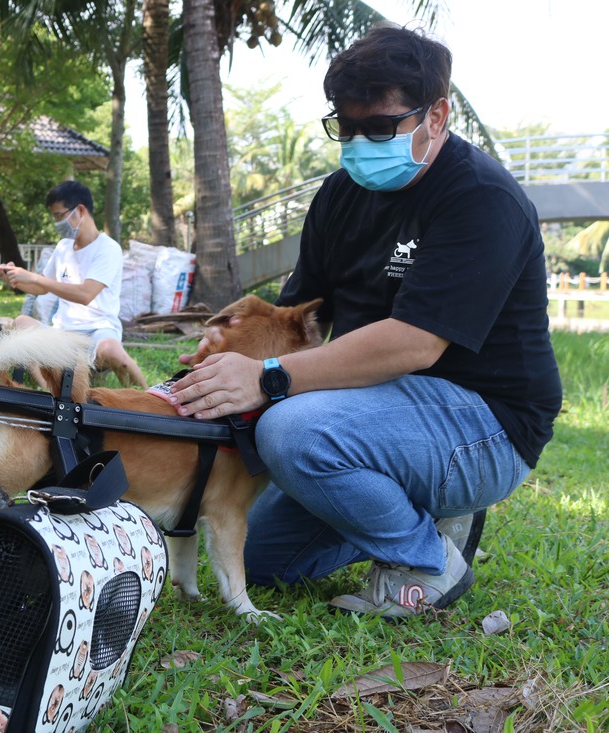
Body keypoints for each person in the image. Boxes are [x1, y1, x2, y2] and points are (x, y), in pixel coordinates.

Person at [167, 25, 561, 619]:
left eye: (379, 127)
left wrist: (269, 378)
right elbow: (297, 317)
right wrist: (231, 353)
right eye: (344, 128)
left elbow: (415, 343)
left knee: (290, 431)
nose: (358, 144)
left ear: (437, 116)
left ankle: (427, 563)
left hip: (486, 422)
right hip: (379, 410)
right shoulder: (339, 195)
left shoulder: (482, 199)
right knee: (261, 558)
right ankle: (409, 503)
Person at [0, 180, 148, 389]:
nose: (57, 222)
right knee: (21, 323)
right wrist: (16, 279)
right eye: (55, 217)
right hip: (63, 332)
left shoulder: (108, 249)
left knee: (115, 352)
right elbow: (42, 288)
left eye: (60, 215)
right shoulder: (63, 247)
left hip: (98, 331)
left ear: (80, 210)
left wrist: (34, 278)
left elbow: (85, 294)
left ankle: (146, 396)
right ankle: (49, 392)